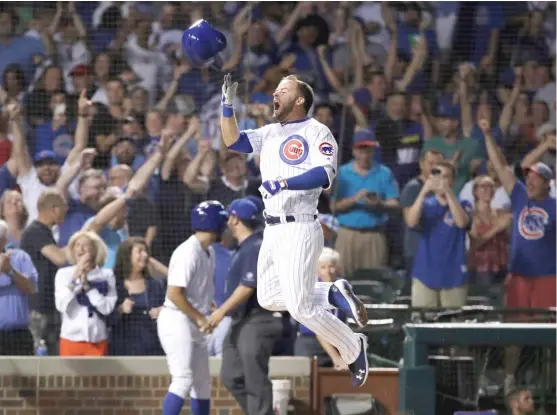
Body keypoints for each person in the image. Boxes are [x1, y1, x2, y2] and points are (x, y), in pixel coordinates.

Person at [220, 73, 369, 386]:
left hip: (300, 223)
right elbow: (233, 140)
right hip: (272, 228)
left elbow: (324, 174)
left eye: (283, 88)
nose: (275, 91)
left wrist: (284, 182)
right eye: (275, 88)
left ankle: (354, 347)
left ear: (300, 99)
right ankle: (331, 292)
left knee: (300, 307)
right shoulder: (270, 132)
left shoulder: (317, 130)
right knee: (270, 297)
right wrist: (226, 106)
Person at [479, 119, 556, 394]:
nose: (531, 180)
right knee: (514, 331)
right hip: (519, 277)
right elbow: (500, 167)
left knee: (550, 334)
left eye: (537, 178)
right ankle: (510, 379)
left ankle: (549, 383)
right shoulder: (521, 196)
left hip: (548, 278)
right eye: (530, 176)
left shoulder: (555, 206)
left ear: (548, 183)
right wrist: (487, 134)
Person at [206, 198, 283, 415]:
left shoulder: (256, 246)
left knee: (255, 380)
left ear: (235, 220)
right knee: (231, 375)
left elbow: (248, 286)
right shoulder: (244, 247)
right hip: (242, 319)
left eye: (229, 218)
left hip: (259, 318)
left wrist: (221, 311)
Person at [157, 200, 228, 415]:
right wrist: (200, 317)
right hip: (176, 318)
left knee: (202, 384)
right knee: (183, 378)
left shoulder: (209, 251)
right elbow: (174, 293)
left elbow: (197, 288)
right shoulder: (188, 251)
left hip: (192, 318)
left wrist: (208, 304)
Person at [405, 160, 473, 309]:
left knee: (453, 326)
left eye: (446, 176)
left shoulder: (463, 203)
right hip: (425, 274)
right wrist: (424, 190)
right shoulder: (426, 204)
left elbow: (462, 222)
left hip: (454, 275)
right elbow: (410, 221)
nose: (441, 180)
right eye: (438, 176)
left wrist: (447, 192)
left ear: (453, 180)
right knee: (423, 325)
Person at [54, 231, 117, 356]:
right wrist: (75, 279)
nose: (80, 249)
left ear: (94, 250)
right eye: (77, 245)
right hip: (71, 339)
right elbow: (61, 305)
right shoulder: (63, 274)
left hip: (97, 339)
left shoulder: (106, 275)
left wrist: (88, 288)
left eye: (85, 245)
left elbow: (106, 308)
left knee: (96, 376)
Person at [109, 237, 165, 356]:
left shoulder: (155, 285)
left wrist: (162, 312)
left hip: (152, 350)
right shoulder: (113, 284)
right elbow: (105, 319)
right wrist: (120, 310)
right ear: (127, 255)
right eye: (139, 251)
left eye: (146, 251)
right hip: (121, 351)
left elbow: (170, 312)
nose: (144, 255)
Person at [294, 247, 348, 371]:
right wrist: (336, 358)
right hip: (311, 344)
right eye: (323, 267)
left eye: (331, 266)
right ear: (317, 270)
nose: (328, 271)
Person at [0, 220, 38, 355]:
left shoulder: (19, 257)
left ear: (4, 240)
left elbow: (31, 288)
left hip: (18, 336)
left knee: (23, 376)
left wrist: (10, 271)